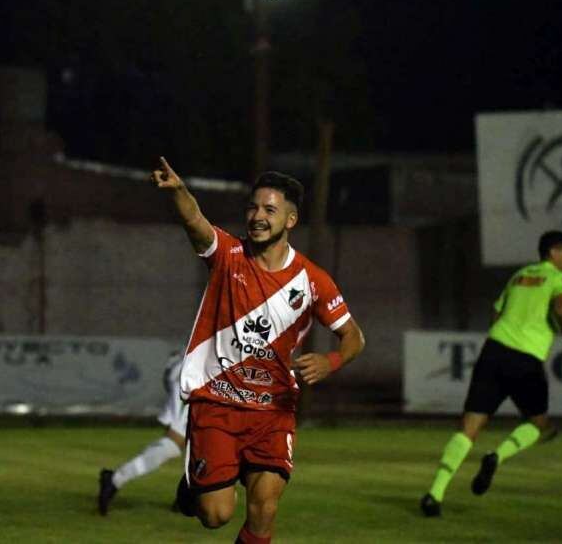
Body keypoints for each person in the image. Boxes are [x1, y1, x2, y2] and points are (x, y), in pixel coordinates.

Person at [151, 157, 365, 544]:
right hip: (217, 403)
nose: (258, 216)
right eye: (253, 207)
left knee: (264, 508)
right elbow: (195, 224)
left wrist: (331, 361)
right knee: (216, 515)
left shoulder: (314, 281)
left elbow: (354, 337)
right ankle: (197, 489)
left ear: (291, 220)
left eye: (270, 209)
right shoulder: (228, 256)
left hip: (273, 411)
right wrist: (179, 192)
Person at [420, 230, 562, 517]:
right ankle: (496, 456)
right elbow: (561, 306)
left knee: (468, 428)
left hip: (493, 351)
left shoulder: (519, 276)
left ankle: (434, 494)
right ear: (554, 252)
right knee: (539, 424)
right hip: (526, 358)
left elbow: (495, 312)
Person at [98, 351, 187, 515]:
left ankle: (187, 498)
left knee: (201, 442)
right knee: (176, 441)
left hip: (197, 371)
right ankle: (115, 479)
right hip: (197, 374)